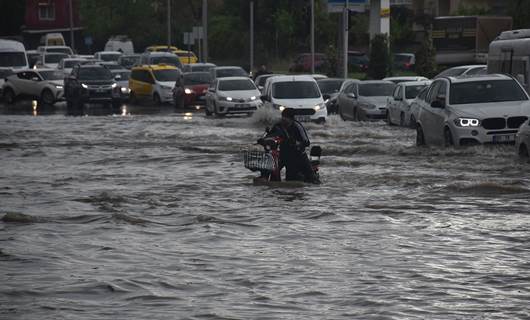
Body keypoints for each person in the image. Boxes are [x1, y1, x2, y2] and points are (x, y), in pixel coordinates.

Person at [265, 108, 318, 183]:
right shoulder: (278, 126)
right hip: (283, 154)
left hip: (298, 155)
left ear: (291, 119)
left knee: (311, 179)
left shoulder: (297, 126)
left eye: (285, 117)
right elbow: (270, 135)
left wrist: (295, 142)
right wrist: (264, 140)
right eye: (282, 116)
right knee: (271, 171)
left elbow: (306, 142)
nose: (283, 119)